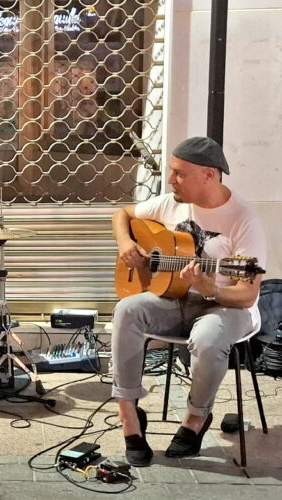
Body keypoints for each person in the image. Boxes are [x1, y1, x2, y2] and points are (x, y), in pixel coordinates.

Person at [111, 137, 267, 466]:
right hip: (175, 298)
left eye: (180, 173)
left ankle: (196, 419)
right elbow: (122, 214)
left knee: (208, 338)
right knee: (127, 310)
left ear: (209, 174)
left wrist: (211, 290)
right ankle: (129, 417)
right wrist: (126, 243)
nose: (171, 180)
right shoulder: (170, 204)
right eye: (172, 171)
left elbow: (248, 294)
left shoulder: (243, 220)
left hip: (227, 306)